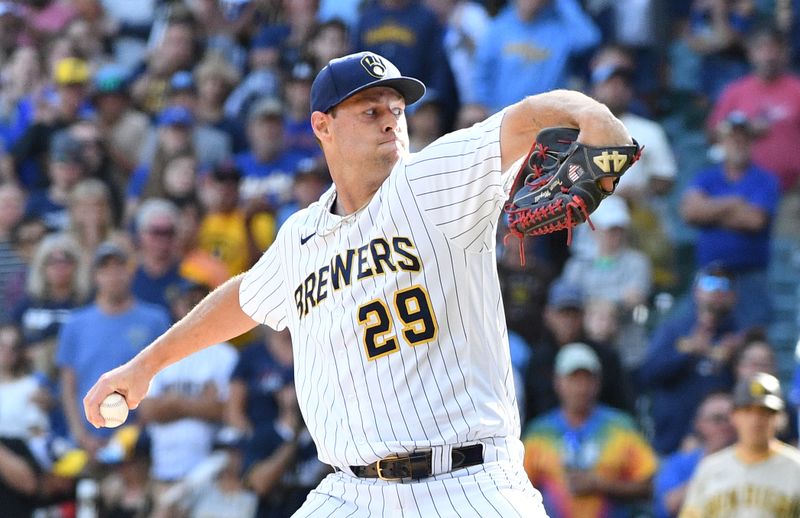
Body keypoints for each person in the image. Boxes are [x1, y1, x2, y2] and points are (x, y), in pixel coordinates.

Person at [84, 50, 634, 516]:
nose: (391, 122)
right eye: (371, 111)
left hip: (468, 483)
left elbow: (526, 117)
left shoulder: (429, 180)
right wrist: (144, 366)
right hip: (351, 493)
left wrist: (595, 117)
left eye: (397, 110)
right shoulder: (302, 235)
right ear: (322, 126)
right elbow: (245, 297)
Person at [58, 241, 171, 454]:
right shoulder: (76, 323)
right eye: (105, 269)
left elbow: (165, 376)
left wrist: (133, 433)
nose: (113, 275)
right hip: (87, 441)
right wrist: (81, 436)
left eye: (119, 267)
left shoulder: (155, 319)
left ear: (130, 273)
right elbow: (68, 385)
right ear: (95, 276)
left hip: (142, 439)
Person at [523, 342, 658, 518]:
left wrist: (601, 484)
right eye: (573, 378)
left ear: (598, 382)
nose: (581, 387)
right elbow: (519, 489)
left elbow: (648, 487)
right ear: (557, 382)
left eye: (587, 378)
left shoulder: (620, 427)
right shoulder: (539, 433)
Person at [680, 112, 779, 328]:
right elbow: (690, 214)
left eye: (744, 139)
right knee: (698, 330)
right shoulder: (707, 176)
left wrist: (709, 213)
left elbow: (754, 220)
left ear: (751, 142)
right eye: (732, 138)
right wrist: (733, 202)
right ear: (722, 142)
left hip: (748, 276)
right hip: (709, 275)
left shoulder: (764, 179)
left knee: (751, 334)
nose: (738, 143)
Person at [636, 263, 743, 455]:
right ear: (696, 291)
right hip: (672, 443)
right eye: (710, 282)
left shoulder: (738, 338)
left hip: (724, 448)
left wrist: (735, 361)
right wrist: (687, 352)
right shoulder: (674, 330)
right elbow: (648, 374)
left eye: (725, 284)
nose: (717, 289)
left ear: (734, 296)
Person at [679, 372, 800, 517]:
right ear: (734, 416)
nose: (756, 420)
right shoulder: (710, 468)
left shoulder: (796, 467)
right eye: (748, 411)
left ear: (779, 417)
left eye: (764, 412)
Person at [653, 392, 736, 518]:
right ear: (700, 424)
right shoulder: (679, 463)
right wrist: (712, 464)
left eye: (731, 418)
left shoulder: (753, 458)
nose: (726, 425)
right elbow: (669, 506)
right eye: (718, 419)